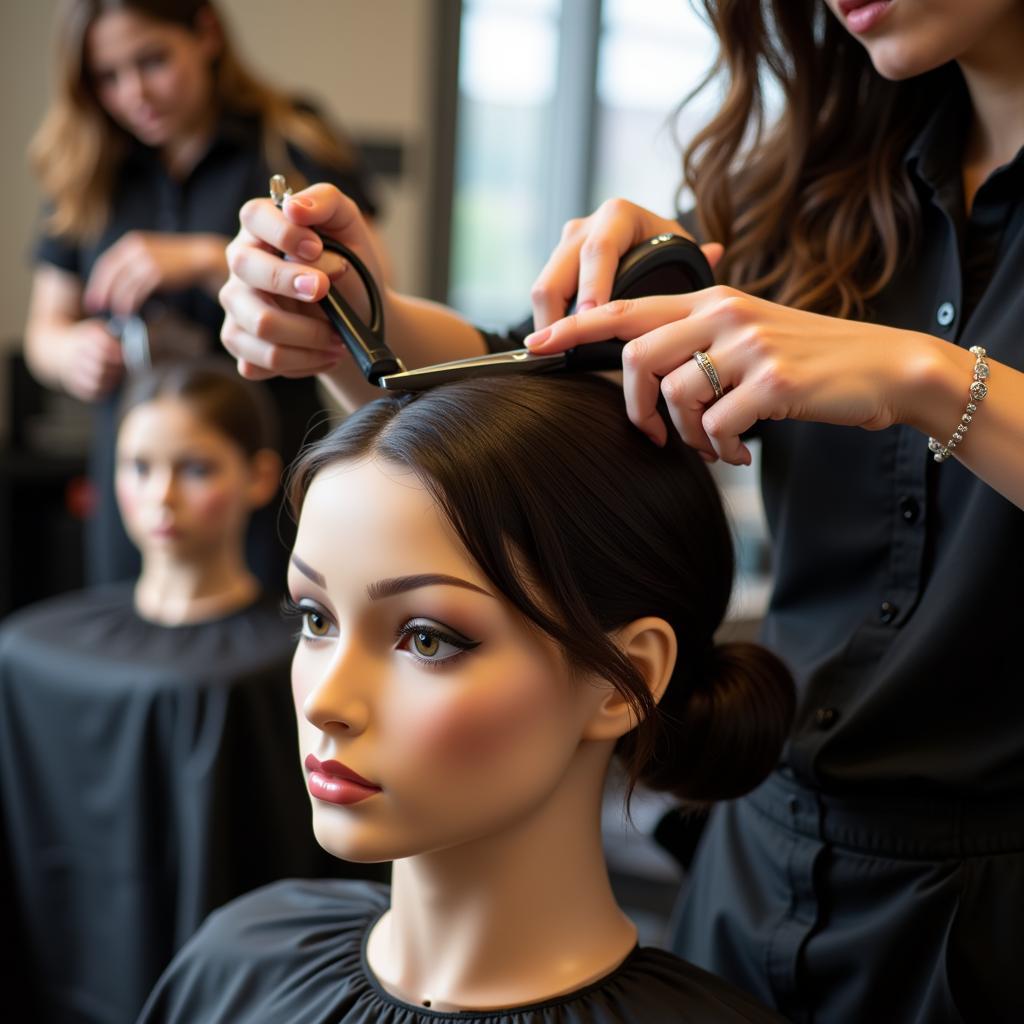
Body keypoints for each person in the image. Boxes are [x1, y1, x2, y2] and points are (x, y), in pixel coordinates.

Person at [216, 1, 1024, 1019]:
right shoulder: (819, 181)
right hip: (753, 881)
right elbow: (550, 421)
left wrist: (928, 380)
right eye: (313, 618)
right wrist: (355, 323)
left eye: (424, 635)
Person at [136, 373, 793, 1023]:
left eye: (426, 640)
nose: (324, 702)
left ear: (623, 676)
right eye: (316, 619)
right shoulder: (234, 969)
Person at [0, 361, 383, 1024]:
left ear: (259, 477)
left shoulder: (282, 662)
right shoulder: (30, 652)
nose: (160, 496)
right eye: (138, 467)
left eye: (196, 469)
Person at [23, 0, 379, 588]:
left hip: (265, 463)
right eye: (108, 77)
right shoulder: (88, 164)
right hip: (138, 479)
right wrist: (71, 353)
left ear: (207, 34)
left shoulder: (289, 139)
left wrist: (204, 260)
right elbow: (46, 330)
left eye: (153, 60)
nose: (134, 92)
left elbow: (373, 291)